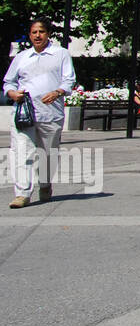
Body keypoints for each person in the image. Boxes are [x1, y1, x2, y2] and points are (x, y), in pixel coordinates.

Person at [4, 17, 76, 208]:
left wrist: (57, 92)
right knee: (21, 152)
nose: (37, 35)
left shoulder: (60, 54)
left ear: (48, 34)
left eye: (41, 32)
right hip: (23, 114)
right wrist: (12, 93)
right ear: (29, 35)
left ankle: (45, 184)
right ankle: (22, 194)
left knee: (48, 154)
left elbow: (69, 80)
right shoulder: (22, 57)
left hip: (50, 114)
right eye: (34, 32)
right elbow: (9, 82)